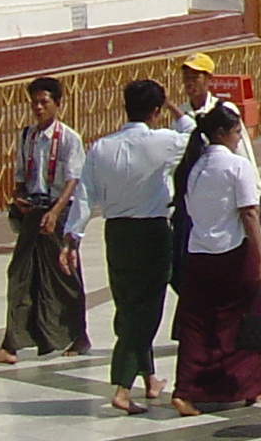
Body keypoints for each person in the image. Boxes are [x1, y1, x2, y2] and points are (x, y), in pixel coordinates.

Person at [74, 78, 183, 412]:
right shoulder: (163, 142)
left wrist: (72, 236)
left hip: (116, 234)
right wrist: (177, 111)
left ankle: (149, 377)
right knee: (146, 310)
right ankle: (122, 387)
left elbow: (84, 195)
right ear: (155, 111)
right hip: (151, 231)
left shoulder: (101, 147)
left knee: (128, 302)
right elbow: (199, 135)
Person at [169, 102, 261, 414]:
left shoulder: (195, 168)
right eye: (237, 131)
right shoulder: (236, 167)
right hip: (232, 254)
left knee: (198, 323)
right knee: (244, 319)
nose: (240, 137)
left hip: (199, 252)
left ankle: (186, 388)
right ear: (222, 133)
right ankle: (250, 382)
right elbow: (249, 214)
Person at [0, 78, 87, 365]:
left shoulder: (67, 138)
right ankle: (12, 343)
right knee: (20, 275)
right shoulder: (27, 135)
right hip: (33, 210)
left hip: (57, 211)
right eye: (35, 102)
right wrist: (17, 196)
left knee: (63, 275)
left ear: (58, 105)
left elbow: (73, 180)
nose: (38, 108)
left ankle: (77, 334)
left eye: (44, 102)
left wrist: (55, 213)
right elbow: (19, 172)